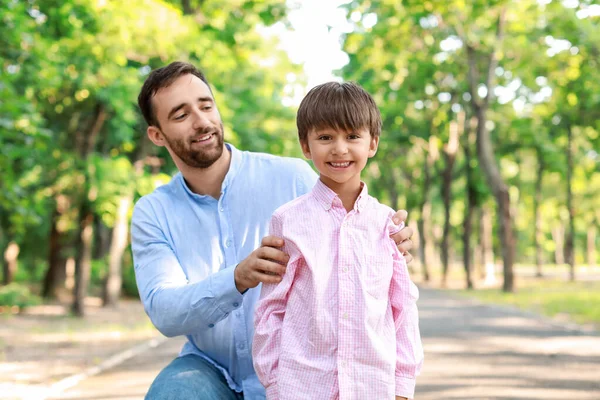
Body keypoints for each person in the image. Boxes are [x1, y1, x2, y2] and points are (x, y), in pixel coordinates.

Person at [131, 61, 415, 400]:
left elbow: (347, 209)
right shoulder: (153, 212)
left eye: (206, 106)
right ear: (157, 135)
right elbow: (164, 308)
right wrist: (236, 278)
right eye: (181, 115)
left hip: (304, 368)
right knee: (173, 395)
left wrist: (393, 235)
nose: (202, 121)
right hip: (208, 367)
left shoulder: (292, 176)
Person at [252, 82, 424, 400]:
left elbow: (402, 307)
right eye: (325, 137)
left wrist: (402, 385)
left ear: (372, 143)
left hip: (371, 386)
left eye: (352, 136)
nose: (340, 148)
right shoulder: (287, 221)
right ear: (306, 146)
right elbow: (270, 310)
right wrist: (275, 385)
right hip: (302, 386)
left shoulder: (387, 224)